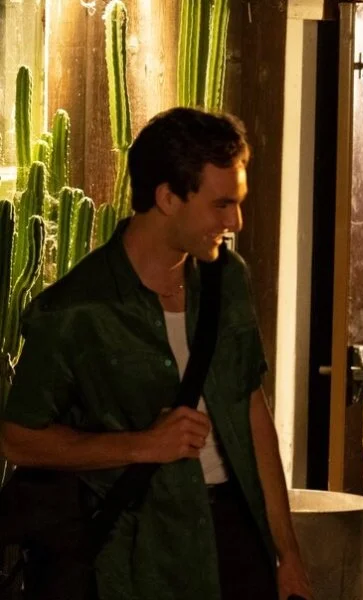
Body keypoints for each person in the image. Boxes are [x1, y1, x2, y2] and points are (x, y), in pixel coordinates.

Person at [0, 108, 313, 600]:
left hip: (235, 537)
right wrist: (142, 445)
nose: (235, 221)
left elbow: (252, 409)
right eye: (221, 204)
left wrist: (287, 553)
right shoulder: (76, 309)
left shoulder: (228, 279)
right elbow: (18, 440)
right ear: (168, 198)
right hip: (137, 554)